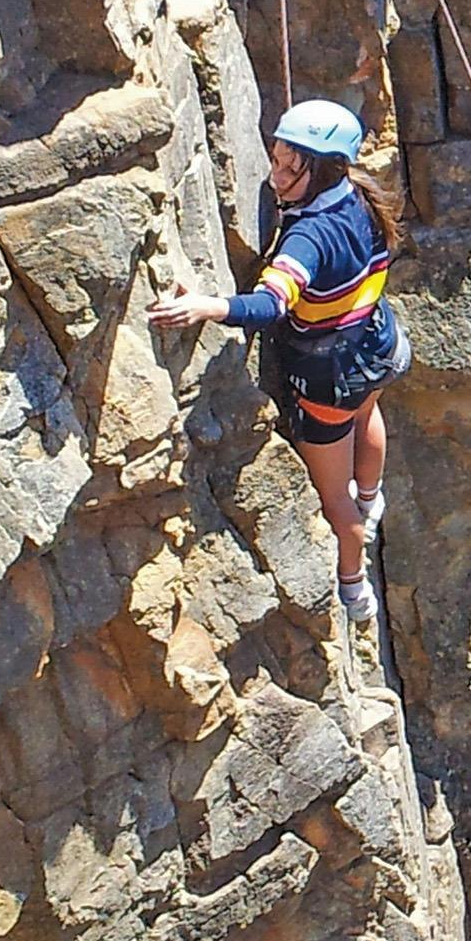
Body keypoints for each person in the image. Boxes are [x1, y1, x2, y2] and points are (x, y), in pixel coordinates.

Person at [148, 100, 410, 622]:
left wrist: (205, 305)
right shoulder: (360, 194)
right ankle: (373, 496)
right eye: (275, 159)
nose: (277, 176)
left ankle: (355, 588)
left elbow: (271, 305)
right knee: (367, 416)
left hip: (330, 376)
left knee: (335, 502)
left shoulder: (310, 235)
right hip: (378, 345)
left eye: (293, 167)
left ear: (325, 167)